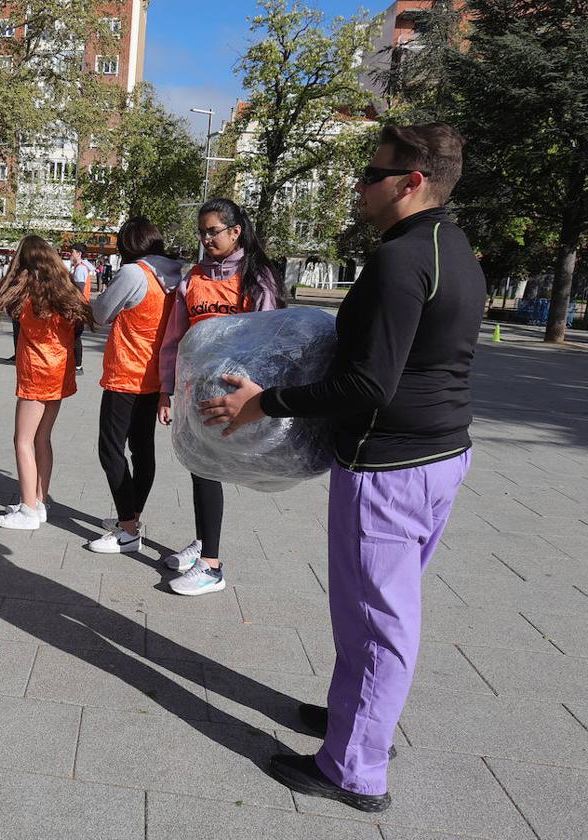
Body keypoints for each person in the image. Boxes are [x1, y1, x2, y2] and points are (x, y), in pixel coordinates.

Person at [199, 124, 483, 812]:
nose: (360, 184)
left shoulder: (401, 259)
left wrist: (266, 402)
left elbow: (369, 385)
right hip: (438, 454)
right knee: (373, 613)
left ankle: (355, 768)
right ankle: (356, 719)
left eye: (371, 171)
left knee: (377, 618)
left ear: (412, 181)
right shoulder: (451, 246)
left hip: (389, 467)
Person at [157, 197, 286, 594]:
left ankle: (211, 566)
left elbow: (270, 341)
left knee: (208, 467)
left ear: (235, 231)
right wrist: (167, 390)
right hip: (195, 391)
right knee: (198, 466)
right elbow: (174, 339)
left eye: (214, 231)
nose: (206, 238)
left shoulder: (256, 277)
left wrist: (259, 398)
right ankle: (203, 543)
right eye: (202, 232)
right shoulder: (193, 279)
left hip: (234, 394)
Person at [0, 235, 93, 529]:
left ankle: (28, 510)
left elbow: (3, 303)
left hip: (36, 373)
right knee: (42, 439)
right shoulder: (66, 292)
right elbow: (79, 328)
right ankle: (38, 501)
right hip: (60, 371)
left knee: (22, 440)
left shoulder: (26, 295)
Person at [86, 218, 184, 554]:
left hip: (125, 374)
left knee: (110, 450)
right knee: (143, 452)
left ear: (127, 245)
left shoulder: (133, 273)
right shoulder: (173, 275)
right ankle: (134, 518)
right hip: (155, 376)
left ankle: (127, 530)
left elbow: (99, 314)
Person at [69, 242, 95, 374]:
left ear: (78, 254)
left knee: (74, 337)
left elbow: (78, 289)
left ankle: (77, 366)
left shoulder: (80, 268)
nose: (70, 254)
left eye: (72, 252)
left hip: (78, 306)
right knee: (75, 336)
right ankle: (76, 365)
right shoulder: (83, 266)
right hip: (82, 306)